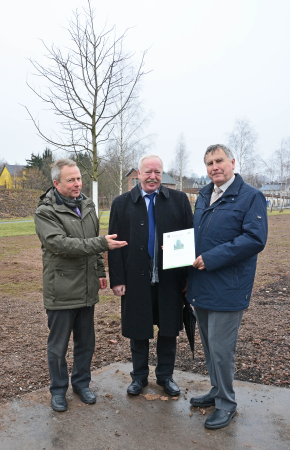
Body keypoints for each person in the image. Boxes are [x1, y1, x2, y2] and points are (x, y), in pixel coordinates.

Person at [34, 158, 127, 412]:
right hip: (61, 290)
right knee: (58, 347)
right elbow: (60, 245)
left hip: (87, 289)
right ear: (56, 183)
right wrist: (101, 244)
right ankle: (58, 391)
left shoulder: (87, 205)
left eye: (79, 178)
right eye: (71, 180)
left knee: (86, 342)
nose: (77, 183)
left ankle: (81, 383)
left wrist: (99, 270)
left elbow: (92, 243)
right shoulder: (45, 212)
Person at [187, 144, 268, 429]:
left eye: (219, 160)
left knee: (222, 350)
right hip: (202, 284)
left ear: (232, 162)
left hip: (228, 287)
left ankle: (227, 404)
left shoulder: (251, 197)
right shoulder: (204, 195)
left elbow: (254, 239)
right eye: (209, 163)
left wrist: (210, 258)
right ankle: (216, 390)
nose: (214, 167)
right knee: (210, 348)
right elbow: (198, 236)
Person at [108, 154, 193, 396]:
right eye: (148, 172)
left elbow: (190, 239)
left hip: (170, 280)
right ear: (138, 173)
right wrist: (118, 279)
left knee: (168, 329)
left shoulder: (179, 200)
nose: (153, 177)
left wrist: (188, 278)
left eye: (157, 172)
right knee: (138, 329)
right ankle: (139, 377)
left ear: (162, 174)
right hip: (135, 279)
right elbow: (113, 245)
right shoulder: (121, 203)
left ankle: (165, 377)